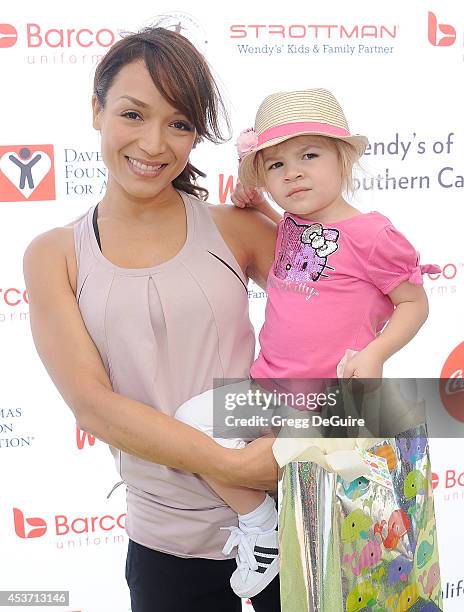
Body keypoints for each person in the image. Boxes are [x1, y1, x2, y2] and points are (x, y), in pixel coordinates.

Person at [23, 28, 281, 612]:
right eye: (133, 114)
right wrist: (236, 467)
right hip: (166, 545)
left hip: (293, 522)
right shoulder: (54, 254)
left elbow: (347, 311)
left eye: (180, 123)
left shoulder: (236, 229)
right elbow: (93, 405)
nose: (154, 143)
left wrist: (298, 216)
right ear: (96, 110)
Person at [175, 87, 440, 598]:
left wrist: (376, 352)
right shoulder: (293, 225)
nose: (292, 173)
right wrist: (259, 207)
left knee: (322, 515)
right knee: (190, 425)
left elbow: (415, 303)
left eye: (309, 156)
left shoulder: (374, 234)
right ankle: (259, 524)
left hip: (328, 402)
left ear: (343, 161)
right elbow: (313, 253)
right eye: (274, 165)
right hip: (269, 385)